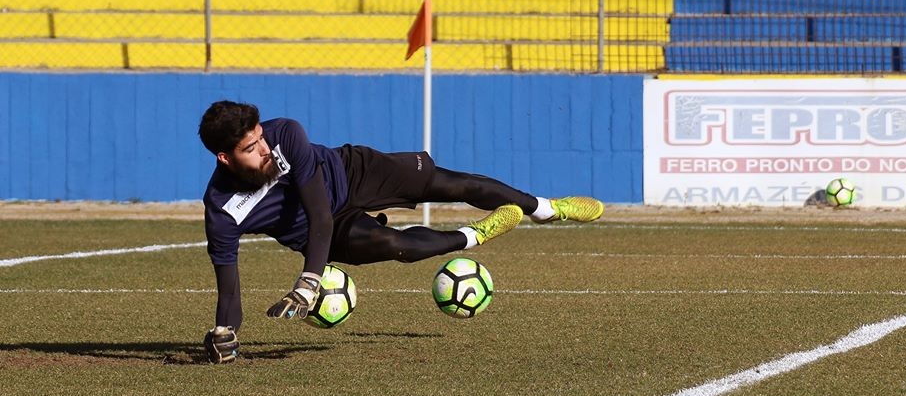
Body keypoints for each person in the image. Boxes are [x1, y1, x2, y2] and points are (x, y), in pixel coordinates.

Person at [198, 100, 604, 364]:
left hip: (351, 173)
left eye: (260, 138)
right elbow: (229, 290)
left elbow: (317, 210)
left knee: (451, 185)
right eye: (250, 148)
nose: (264, 148)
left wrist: (308, 282)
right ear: (225, 158)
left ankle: (546, 209)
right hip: (326, 232)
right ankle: (474, 236)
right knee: (397, 247)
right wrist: (225, 333)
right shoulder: (221, 211)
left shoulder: (285, 134)